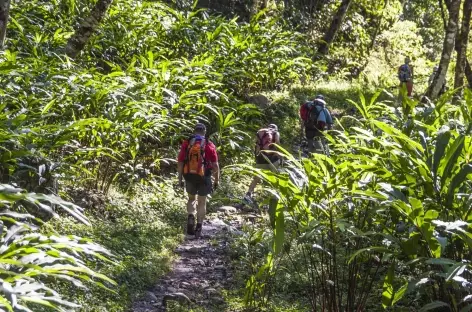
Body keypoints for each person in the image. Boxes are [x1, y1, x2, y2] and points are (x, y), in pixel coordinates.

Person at [177, 123, 220, 238]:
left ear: (194, 131)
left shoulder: (187, 143)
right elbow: (215, 165)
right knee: (202, 201)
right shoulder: (209, 144)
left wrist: (180, 179)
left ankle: (191, 215)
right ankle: (199, 226)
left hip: (189, 175)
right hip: (204, 176)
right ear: (205, 132)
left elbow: (180, 162)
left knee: (191, 199)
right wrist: (216, 180)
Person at [244, 124, 280, 204]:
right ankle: (273, 197)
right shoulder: (276, 133)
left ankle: (249, 194)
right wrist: (279, 156)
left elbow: (257, 145)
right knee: (274, 177)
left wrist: (256, 158)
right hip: (272, 159)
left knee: (256, 178)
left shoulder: (260, 132)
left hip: (261, 158)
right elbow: (277, 144)